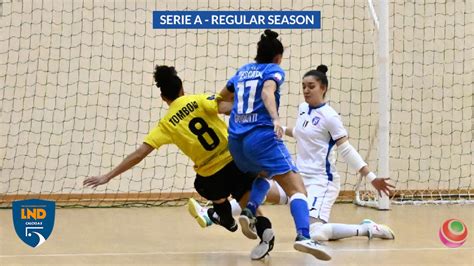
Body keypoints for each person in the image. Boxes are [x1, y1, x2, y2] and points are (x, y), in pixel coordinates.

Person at [83, 65, 274, 258]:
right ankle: (265, 235)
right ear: (182, 88)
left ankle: (224, 218)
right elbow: (228, 108)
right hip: (235, 161)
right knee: (248, 203)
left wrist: (107, 176)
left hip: (211, 175)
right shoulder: (198, 100)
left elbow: (139, 153)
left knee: (205, 186)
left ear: (163, 98)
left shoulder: (166, 124)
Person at [218, 29, 331, 261]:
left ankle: (249, 210)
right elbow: (268, 92)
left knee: (265, 174)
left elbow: (221, 102)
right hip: (261, 139)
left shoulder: (241, 72)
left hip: (237, 144)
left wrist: (241, 112)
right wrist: (275, 118)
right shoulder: (274, 70)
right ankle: (303, 236)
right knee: (297, 189)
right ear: (278, 57)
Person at [282, 64, 395, 241]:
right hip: (299, 177)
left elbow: (346, 150)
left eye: (311, 86)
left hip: (321, 181)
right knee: (261, 188)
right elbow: (300, 133)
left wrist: (372, 178)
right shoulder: (303, 108)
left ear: (323, 88)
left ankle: (367, 229)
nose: (306, 90)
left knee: (315, 233)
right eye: (304, 86)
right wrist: (278, 128)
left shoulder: (330, 116)